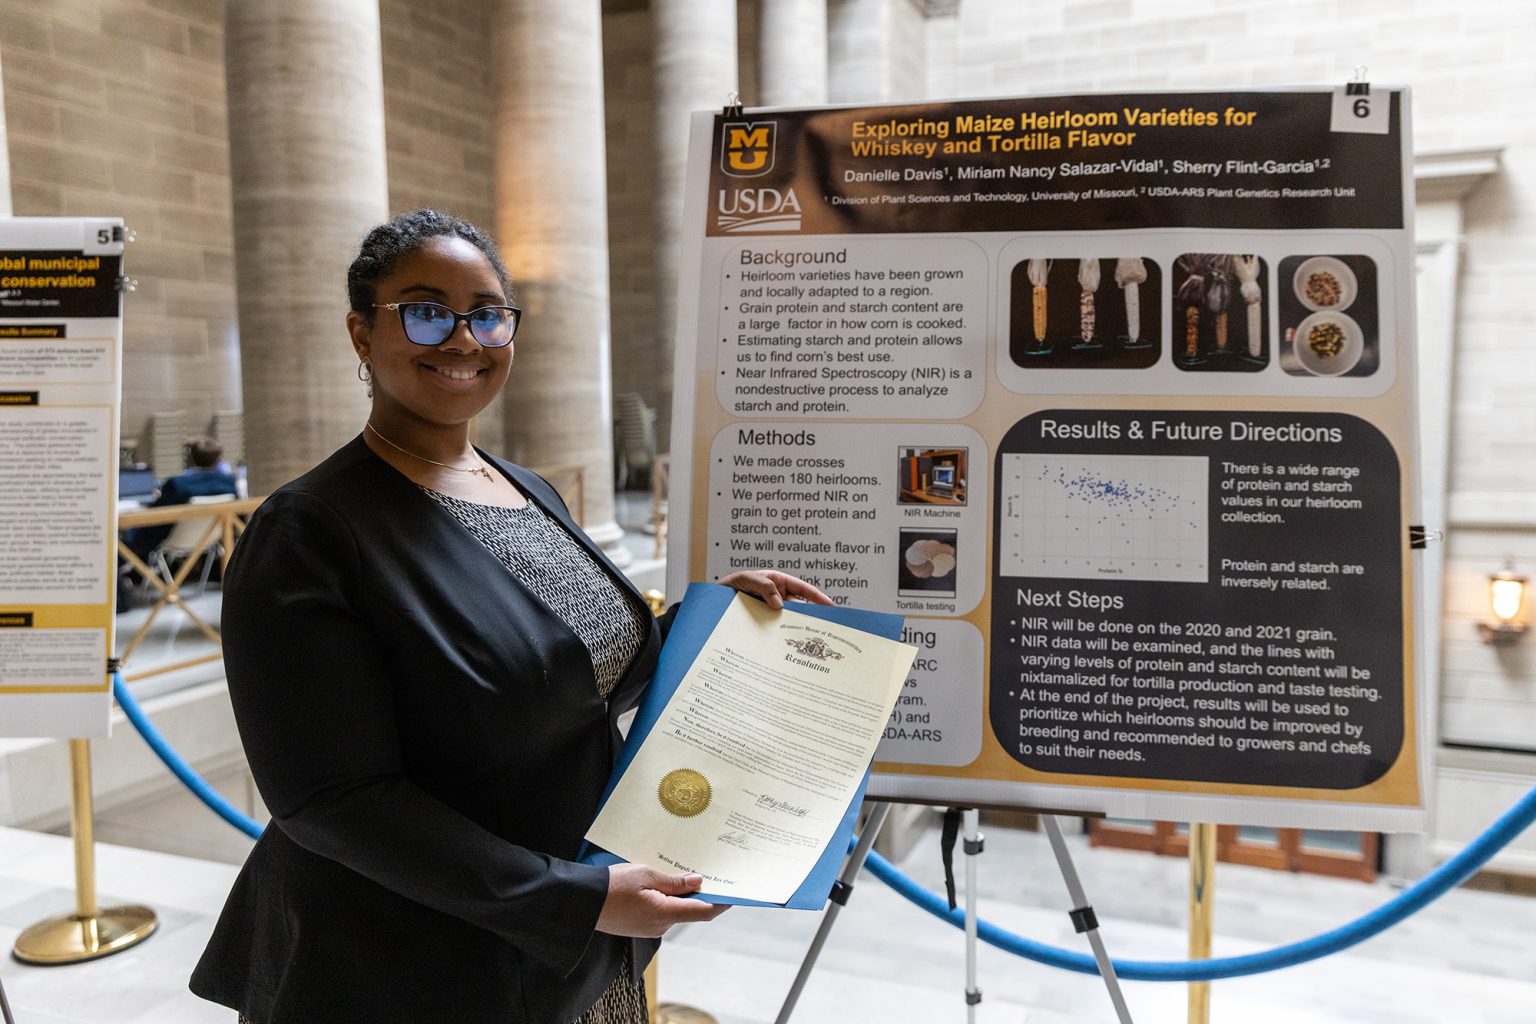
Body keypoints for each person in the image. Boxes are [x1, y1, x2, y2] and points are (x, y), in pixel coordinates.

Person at [189, 209, 829, 1024]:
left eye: (487, 312)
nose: (464, 338)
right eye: (425, 311)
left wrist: (712, 629)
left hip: (573, 938)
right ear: (361, 333)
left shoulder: (526, 486)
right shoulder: (311, 530)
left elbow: (563, 674)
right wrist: (575, 898)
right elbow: (331, 800)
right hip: (410, 962)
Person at [122, 437, 239, 565]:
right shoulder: (229, 483)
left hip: (171, 541)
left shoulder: (177, 484)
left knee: (126, 536)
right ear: (218, 459)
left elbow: (156, 515)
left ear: (191, 459)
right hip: (211, 540)